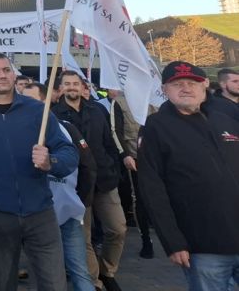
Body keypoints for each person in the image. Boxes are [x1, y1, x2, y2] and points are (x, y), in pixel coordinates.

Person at [0, 52, 77, 291]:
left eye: (6, 70)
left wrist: (52, 162)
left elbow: (68, 151)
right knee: (1, 283)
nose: (2, 75)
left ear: (14, 73)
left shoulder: (36, 110)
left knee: (54, 283)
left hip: (40, 213)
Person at [138, 61, 239, 291]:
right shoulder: (155, 127)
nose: (186, 88)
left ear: (204, 85)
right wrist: (172, 241)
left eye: (192, 82)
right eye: (177, 84)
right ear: (165, 90)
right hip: (202, 246)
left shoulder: (226, 119)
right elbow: (152, 188)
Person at [54, 70, 127, 291]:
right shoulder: (54, 115)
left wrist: (114, 169)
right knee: (82, 238)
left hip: (104, 179)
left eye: (75, 83)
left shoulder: (97, 111)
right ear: (61, 88)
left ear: (83, 86)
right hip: (75, 184)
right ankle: (93, 281)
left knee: (118, 228)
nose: (71, 87)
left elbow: (110, 143)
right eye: (67, 84)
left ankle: (108, 270)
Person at [22, 82, 96, 291]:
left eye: (31, 100)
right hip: (36, 215)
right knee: (44, 273)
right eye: (22, 99)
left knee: (79, 270)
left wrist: (82, 198)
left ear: (45, 102)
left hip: (67, 210)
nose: (25, 104)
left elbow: (86, 165)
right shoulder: (15, 129)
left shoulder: (65, 128)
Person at [106, 88, 154, 259]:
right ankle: (146, 240)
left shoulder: (154, 98)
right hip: (134, 157)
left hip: (156, 157)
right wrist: (125, 154)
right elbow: (115, 130)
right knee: (139, 198)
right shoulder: (119, 102)